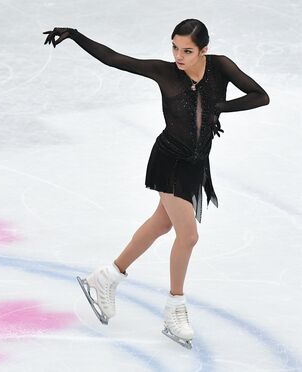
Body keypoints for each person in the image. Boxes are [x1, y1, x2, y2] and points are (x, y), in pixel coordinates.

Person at [43, 19, 270, 349]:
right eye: (174, 47)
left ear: (204, 50)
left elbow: (260, 96)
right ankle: (174, 308)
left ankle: (105, 278)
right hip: (169, 161)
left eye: (187, 50)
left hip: (196, 163)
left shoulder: (220, 67)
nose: (179, 56)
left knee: (161, 224)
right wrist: (76, 36)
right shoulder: (165, 73)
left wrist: (219, 107)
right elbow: (114, 58)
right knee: (188, 236)